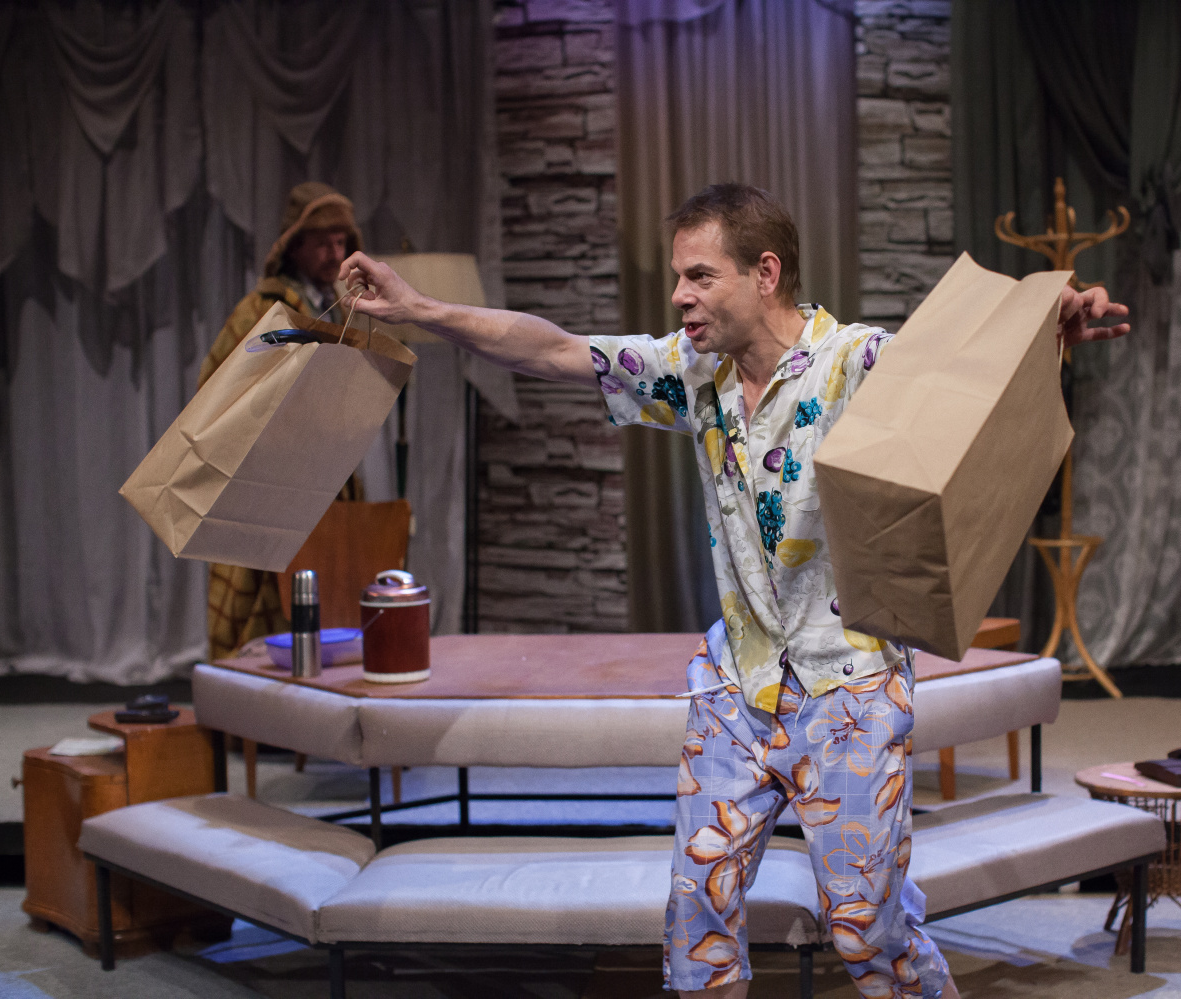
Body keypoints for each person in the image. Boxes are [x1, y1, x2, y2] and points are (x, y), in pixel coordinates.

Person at [339, 183, 1129, 998]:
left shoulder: (855, 363)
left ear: (765, 273)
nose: (679, 295)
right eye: (678, 276)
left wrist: (1048, 324)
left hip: (848, 690)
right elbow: (552, 350)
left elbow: (964, 369)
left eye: (700, 276)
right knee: (697, 916)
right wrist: (419, 308)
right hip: (737, 687)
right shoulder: (693, 374)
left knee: (868, 930)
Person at [201, 181, 366, 661]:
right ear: (294, 246)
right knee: (260, 601)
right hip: (268, 480)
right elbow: (216, 387)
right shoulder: (262, 311)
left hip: (326, 478)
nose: (333, 253)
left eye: (340, 242)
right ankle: (252, 697)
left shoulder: (343, 310)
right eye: (321, 242)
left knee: (328, 593)